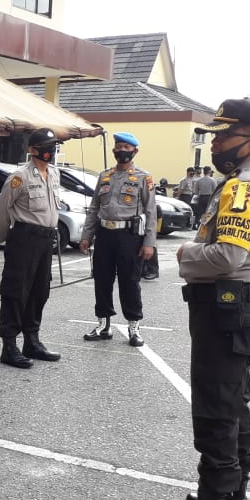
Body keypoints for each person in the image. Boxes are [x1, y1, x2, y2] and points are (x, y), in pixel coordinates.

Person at [153, 98, 250, 500]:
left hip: (227, 308)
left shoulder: (245, 187)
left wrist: (186, 253)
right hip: (239, 309)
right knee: (234, 405)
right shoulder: (246, 182)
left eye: (225, 135)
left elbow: (227, 256)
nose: (216, 143)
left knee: (215, 411)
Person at [79, 132, 156, 347]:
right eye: (118, 146)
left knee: (129, 281)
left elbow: (151, 212)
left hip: (129, 237)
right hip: (104, 234)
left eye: (126, 147)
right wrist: (87, 235)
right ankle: (103, 325)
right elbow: (94, 207)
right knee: (102, 280)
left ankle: (134, 326)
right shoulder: (104, 176)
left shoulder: (143, 177)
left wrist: (149, 243)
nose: (121, 150)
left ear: (134, 151)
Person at [0, 127, 62, 369]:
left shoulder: (54, 174)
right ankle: (9, 345)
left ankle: (32, 340)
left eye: (53, 146)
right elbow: (2, 210)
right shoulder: (19, 176)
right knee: (15, 292)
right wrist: (5, 239)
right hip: (24, 238)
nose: (51, 151)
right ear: (32, 150)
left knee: (39, 291)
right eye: (45, 147)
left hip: (45, 240)